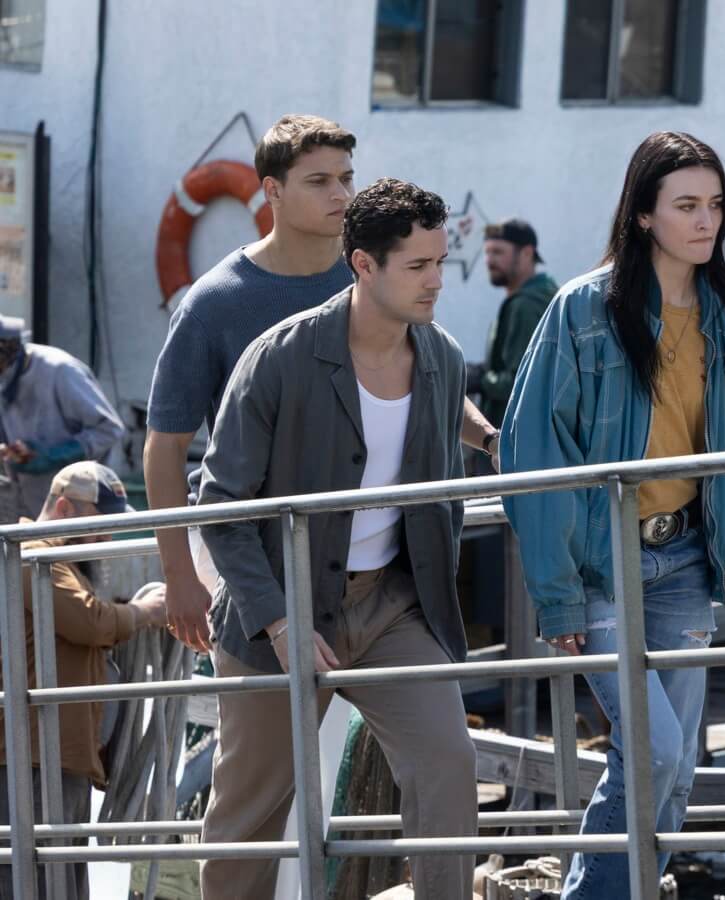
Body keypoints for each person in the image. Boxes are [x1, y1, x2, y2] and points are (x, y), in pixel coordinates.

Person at [500, 132, 725, 899]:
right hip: (601, 567)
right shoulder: (582, 311)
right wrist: (557, 593)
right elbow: (533, 451)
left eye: (716, 204)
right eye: (686, 205)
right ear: (643, 215)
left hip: (686, 563)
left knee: (676, 771)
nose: (706, 221)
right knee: (654, 752)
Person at [194, 178, 477, 900]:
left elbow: (443, 492)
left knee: (448, 766)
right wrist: (277, 620)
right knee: (250, 817)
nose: (436, 281)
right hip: (276, 613)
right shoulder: (278, 357)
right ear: (363, 265)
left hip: (393, 607)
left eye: (440, 263)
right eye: (417, 266)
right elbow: (220, 503)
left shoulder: (443, 359)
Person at [145, 114, 500, 656]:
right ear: (272, 191)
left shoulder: (373, 272)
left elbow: (427, 378)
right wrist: (178, 575)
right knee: (267, 707)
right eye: (319, 181)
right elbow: (165, 447)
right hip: (250, 546)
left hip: (374, 559)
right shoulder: (213, 303)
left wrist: (492, 441)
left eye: (346, 177)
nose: (341, 194)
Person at [0, 463, 165, 899]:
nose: (105, 538)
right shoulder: (32, 553)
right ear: (63, 508)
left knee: (58, 885)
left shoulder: (57, 564)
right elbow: (88, 621)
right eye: (98, 525)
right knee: (34, 884)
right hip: (32, 760)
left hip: (56, 759)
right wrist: (143, 613)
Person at [0, 316, 126, 523]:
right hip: (30, 505)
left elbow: (109, 430)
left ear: (8, 349)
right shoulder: (5, 378)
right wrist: (13, 452)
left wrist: (55, 455)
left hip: (80, 507)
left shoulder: (60, 371)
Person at [477, 217, 558, 428]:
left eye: (498, 252)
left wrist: (481, 380)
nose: (489, 260)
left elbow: (520, 381)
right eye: (487, 252)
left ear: (527, 253)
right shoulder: (542, 294)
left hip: (517, 432)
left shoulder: (526, 305)